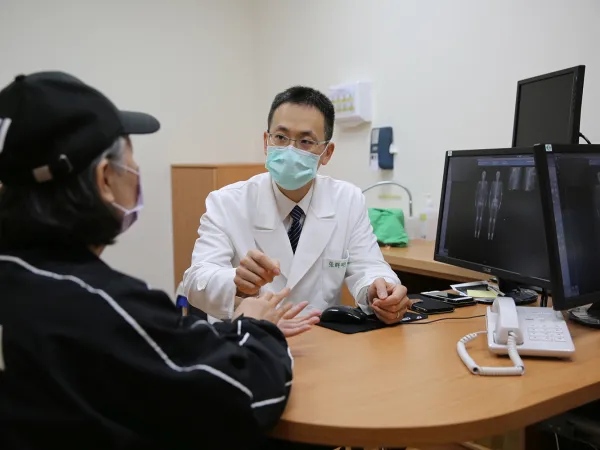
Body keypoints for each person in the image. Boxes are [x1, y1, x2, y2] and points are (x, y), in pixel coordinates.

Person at [0, 72, 305, 450]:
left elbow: (165, 348)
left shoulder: (24, 279)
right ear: (105, 178)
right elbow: (243, 396)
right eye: (130, 159)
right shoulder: (98, 305)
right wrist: (256, 326)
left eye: (306, 141)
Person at [183, 86, 411, 325]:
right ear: (266, 142)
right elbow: (196, 281)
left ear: (327, 152)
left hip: (320, 338)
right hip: (249, 338)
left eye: (305, 141)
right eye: (281, 138)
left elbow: (369, 266)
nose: (290, 150)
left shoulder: (348, 199)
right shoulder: (227, 202)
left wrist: (380, 290)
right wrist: (235, 281)